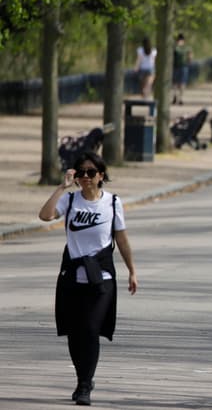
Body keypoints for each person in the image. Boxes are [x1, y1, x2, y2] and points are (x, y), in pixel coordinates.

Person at [38, 152, 138, 406]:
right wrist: (62, 186)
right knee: (74, 333)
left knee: (91, 330)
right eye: (81, 172)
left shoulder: (113, 203)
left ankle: (84, 386)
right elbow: (45, 215)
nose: (85, 177)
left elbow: (122, 239)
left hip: (101, 277)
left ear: (101, 176)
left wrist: (132, 271)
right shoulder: (70, 201)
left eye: (91, 173)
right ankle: (83, 377)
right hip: (72, 276)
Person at [172, 33, 191, 105]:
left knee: (178, 83)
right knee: (180, 83)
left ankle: (177, 96)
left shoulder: (176, 47)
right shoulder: (185, 47)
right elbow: (190, 57)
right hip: (181, 67)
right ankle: (178, 97)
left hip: (179, 67)